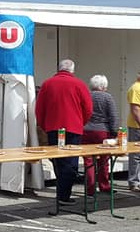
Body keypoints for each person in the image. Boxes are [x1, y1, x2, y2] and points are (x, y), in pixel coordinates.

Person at [34, 59, 92, 205]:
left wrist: (44, 125)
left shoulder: (47, 84)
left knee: (57, 160)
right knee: (71, 162)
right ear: (72, 70)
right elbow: (88, 109)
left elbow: (39, 109)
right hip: (73, 128)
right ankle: (63, 195)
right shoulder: (80, 84)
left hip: (53, 128)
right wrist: (80, 123)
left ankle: (62, 193)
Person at [82, 75, 119, 195]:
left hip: (86, 130)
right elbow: (113, 116)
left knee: (88, 161)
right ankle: (104, 185)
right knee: (104, 160)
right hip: (102, 131)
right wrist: (114, 133)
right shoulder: (107, 97)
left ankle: (90, 189)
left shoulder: (86, 95)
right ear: (103, 86)